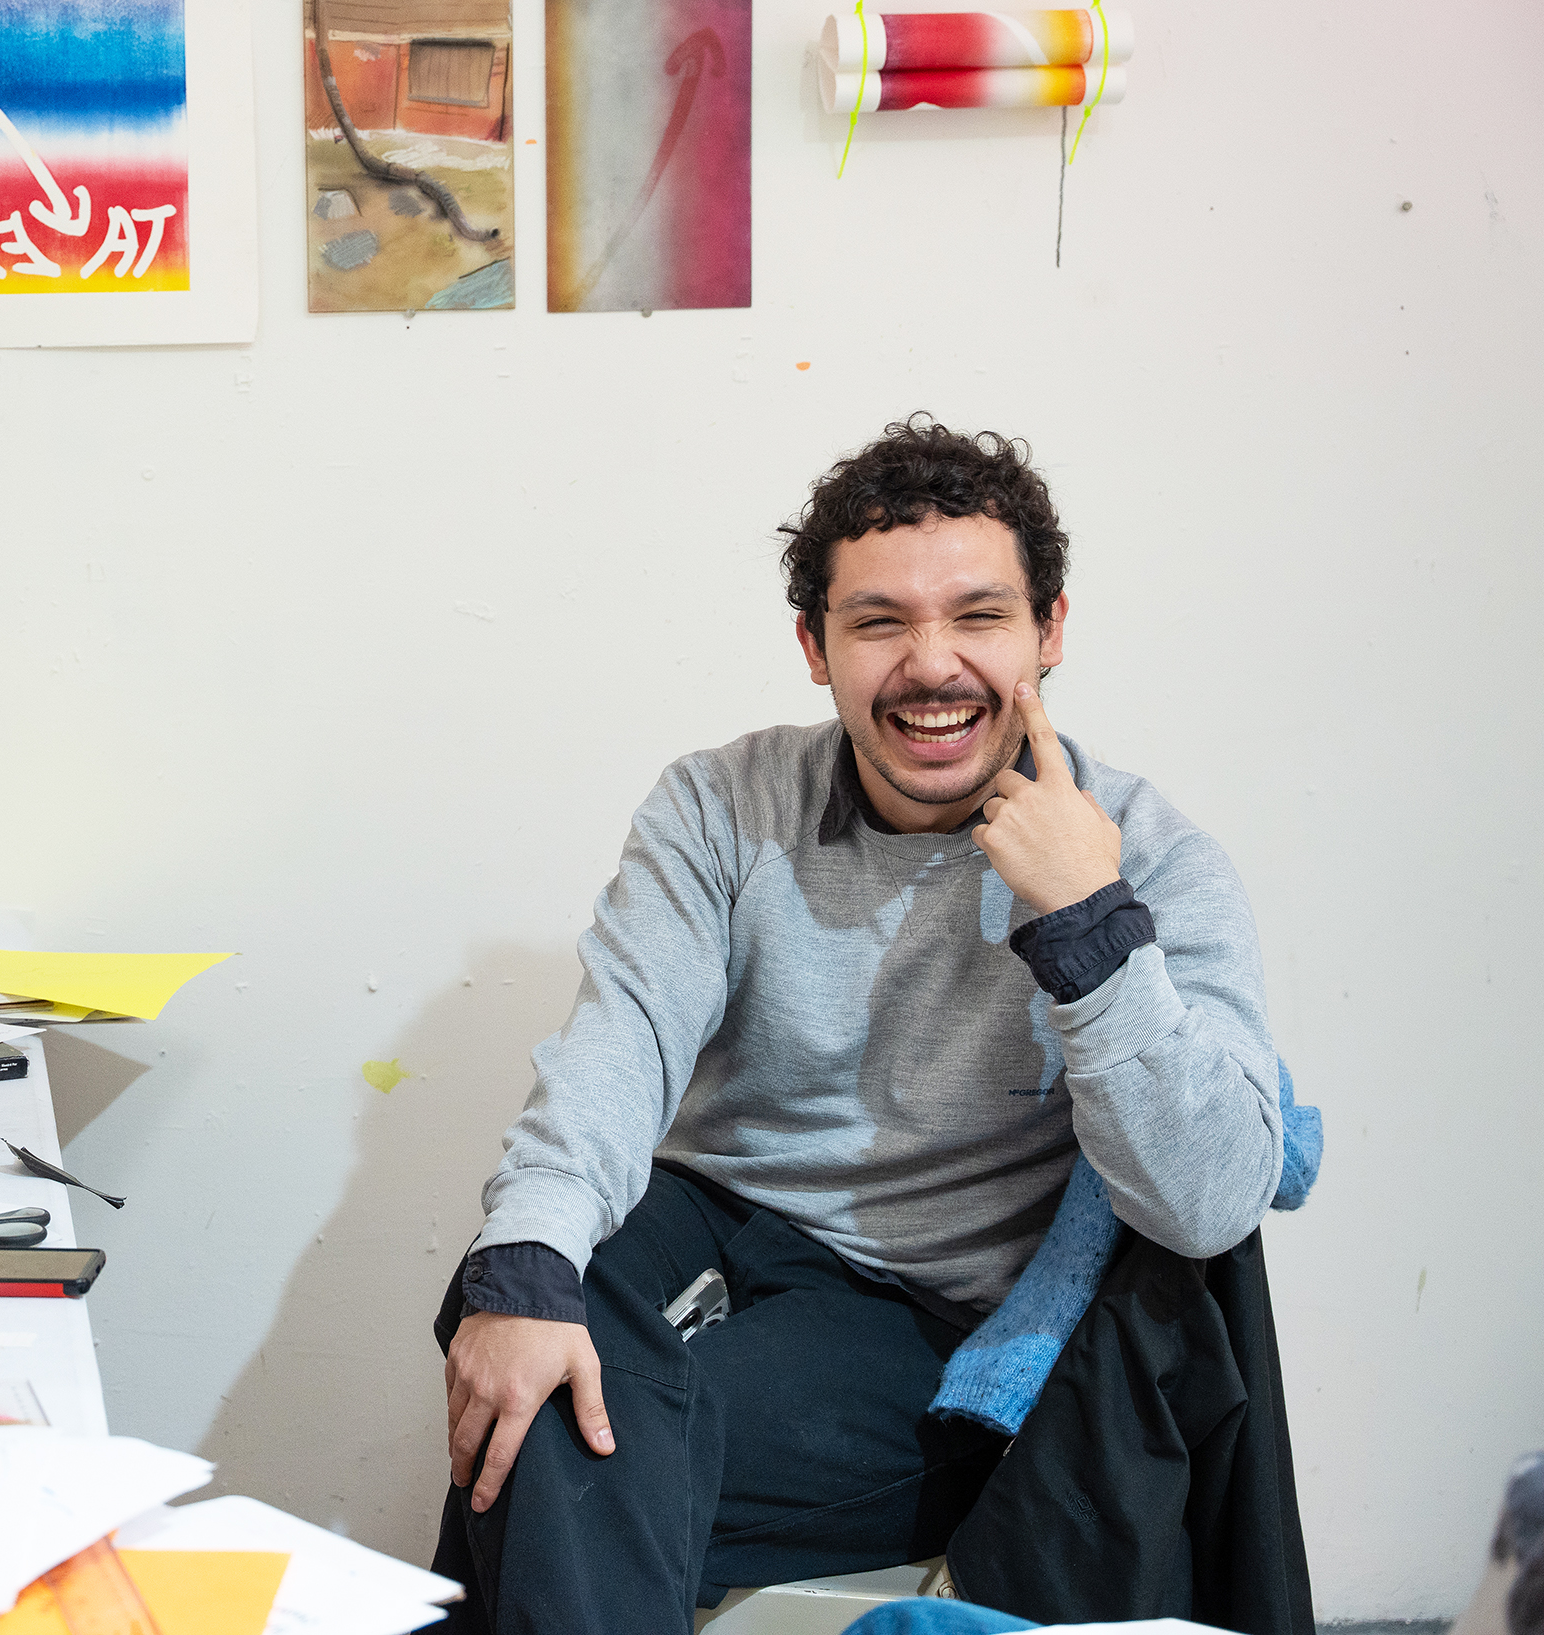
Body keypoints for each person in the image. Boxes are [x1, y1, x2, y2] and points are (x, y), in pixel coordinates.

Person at [431, 416, 1286, 1634]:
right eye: (879, 622)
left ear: (1048, 631)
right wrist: (525, 1274)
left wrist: (1086, 922)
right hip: (711, 1211)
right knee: (515, 1285)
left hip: (919, 1303)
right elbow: (620, 1048)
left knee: (555, 1443)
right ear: (814, 646)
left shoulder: (1149, 856)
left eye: (979, 616)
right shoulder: (722, 801)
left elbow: (1210, 1201)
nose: (932, 666)